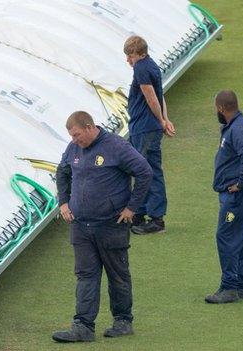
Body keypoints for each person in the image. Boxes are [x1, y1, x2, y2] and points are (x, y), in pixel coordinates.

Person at [52, 111, 152, 342]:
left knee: (117, 274)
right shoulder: (73, 148)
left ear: (89, 127)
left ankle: (123, 321)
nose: (75, 140)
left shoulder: (116, 146)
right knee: (85, 275)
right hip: (81, 226)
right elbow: (62, 172)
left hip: (111, 225)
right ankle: (83, 327)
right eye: (72, 136)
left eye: (77, 135)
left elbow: (144, 172)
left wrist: (131, 208)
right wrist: (64, 202)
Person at [205, 90, 243, 304]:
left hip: (239, 194)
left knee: (226, 235)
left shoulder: (238, 129)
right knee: (240, 234)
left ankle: (229, 287)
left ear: (221, 108)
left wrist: (241, 183)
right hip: (239, 191)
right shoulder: (236, 126)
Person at [123, 35, 175, 235]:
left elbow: (151, 97)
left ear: (140, 53)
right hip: (145, 127)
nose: (128, 60)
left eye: (130, 56)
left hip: (144, 128)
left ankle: (155, 219)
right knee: (145, 170)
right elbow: (159, 94)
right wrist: (165, 118)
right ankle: (139, 213)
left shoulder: (141, 68)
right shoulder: (151, 65)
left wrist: (162, 121)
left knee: (146, 171)